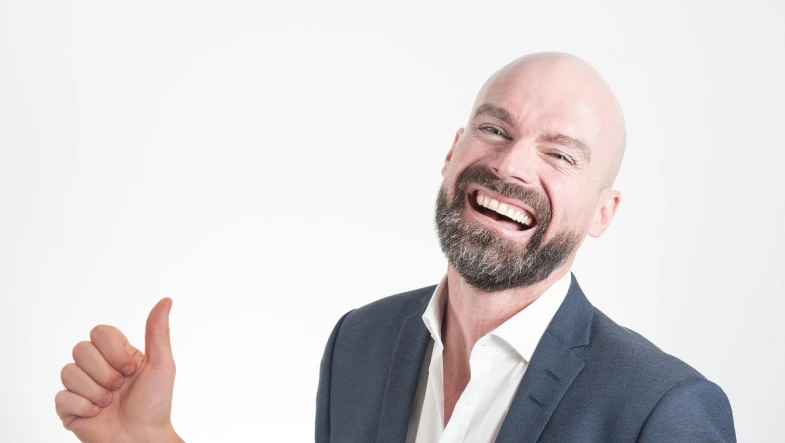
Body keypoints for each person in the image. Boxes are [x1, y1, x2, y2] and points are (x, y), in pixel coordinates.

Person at [54, 53, 736, 443]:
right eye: (494, 129)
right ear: (451, 151)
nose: (512, 166)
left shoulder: (663, 409)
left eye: (559, 153)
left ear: (602, 212)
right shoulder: (361, 341)